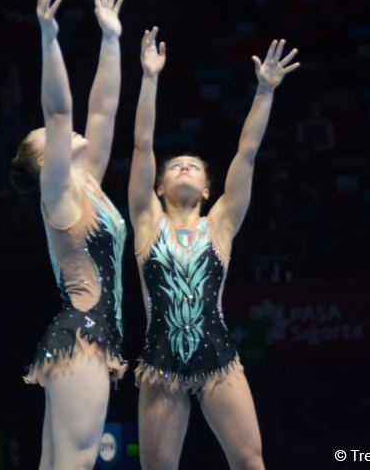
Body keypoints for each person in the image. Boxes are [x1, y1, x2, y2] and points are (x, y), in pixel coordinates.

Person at [129, 30, 300, 469]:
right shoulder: (147, 220)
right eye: (175, 167)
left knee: (249, 461)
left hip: (219, 357)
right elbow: (142, 145)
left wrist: (264, 91)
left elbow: (247, 153)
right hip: (160, 362)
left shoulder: (221, 224)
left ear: (207, 189)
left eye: (194, 166)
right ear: (160, 186)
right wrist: (149, 79)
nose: (184, 166)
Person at [10, 0, 127, 470]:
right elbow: (59, 113)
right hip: (84, 338)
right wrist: (48, 36)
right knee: (73, 464)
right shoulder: (57, 196)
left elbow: (102, 111)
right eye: (51, 142)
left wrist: (111, 40)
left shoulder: (89, 183)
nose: (68, 135)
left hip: (79, 339)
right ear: (44, 161)